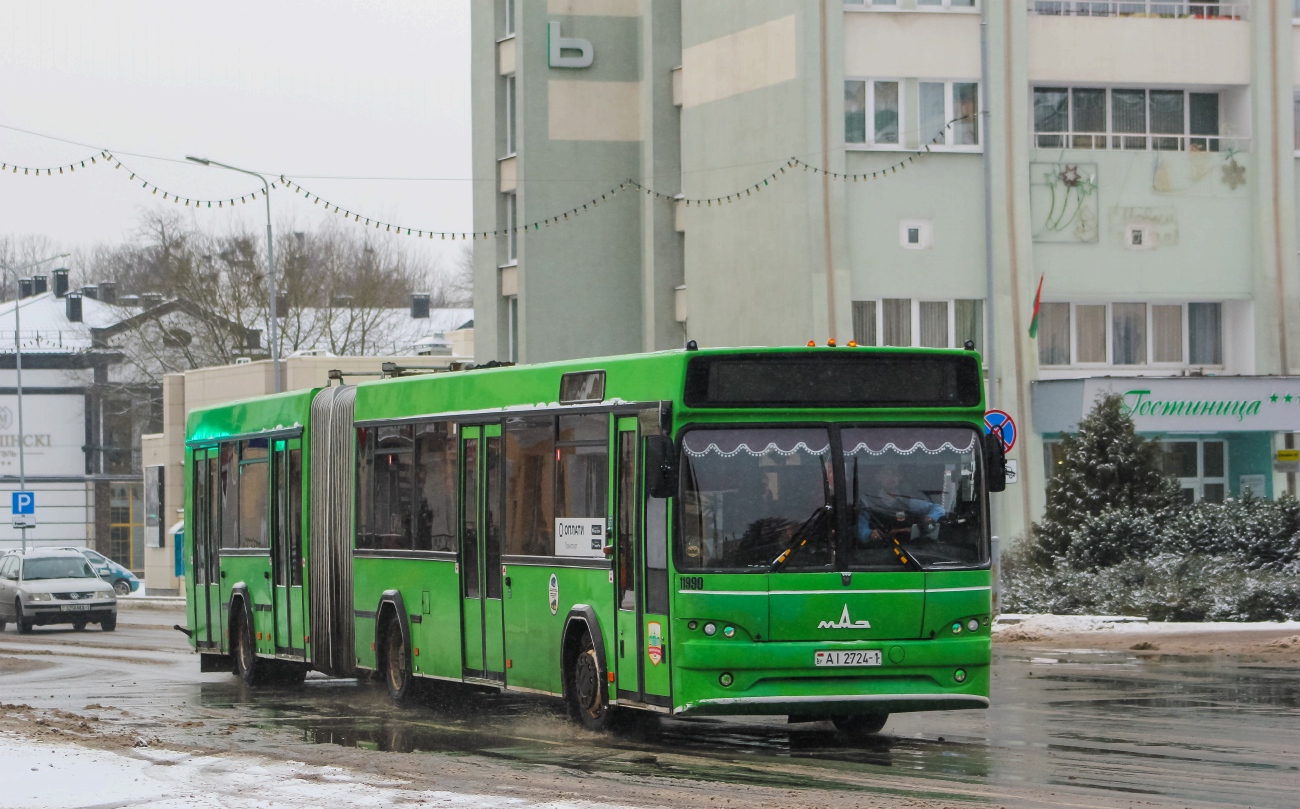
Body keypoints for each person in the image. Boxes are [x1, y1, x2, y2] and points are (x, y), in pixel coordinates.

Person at [856, 463, 945, 542]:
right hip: (877, 551)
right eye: (886, 473)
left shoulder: (908, 502)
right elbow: (860, 529)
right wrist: (870, 534)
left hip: (907, 551)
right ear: (877, 478)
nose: (890, 478)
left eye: (894, 473)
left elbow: (938, 508)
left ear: (900, 478)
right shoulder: (868, 502)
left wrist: (930, 518)